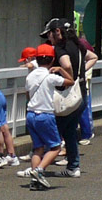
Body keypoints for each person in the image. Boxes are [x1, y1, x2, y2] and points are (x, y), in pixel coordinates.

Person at [45, 18, 97, 177]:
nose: (49, 38)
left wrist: (68, 77)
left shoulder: (60, 48)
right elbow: (94, 57)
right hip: (80, 95)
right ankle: (73, 167)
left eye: (50, 34)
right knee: (69, 132)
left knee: (53, 132)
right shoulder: (78, 46)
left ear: (57, 32)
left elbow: (66, 65)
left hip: (67, 96)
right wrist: (80, 74)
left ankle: (38, 167)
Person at [22, 44, 73, 190]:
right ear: (52, 60)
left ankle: (35, 179)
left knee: (38, 148)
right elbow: (70, 82)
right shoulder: (50, 77)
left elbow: (27, 95)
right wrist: (61, 70)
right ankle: (39, 170)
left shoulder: (30, 76)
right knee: (55, 147)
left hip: (31, 114)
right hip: (45, 115)